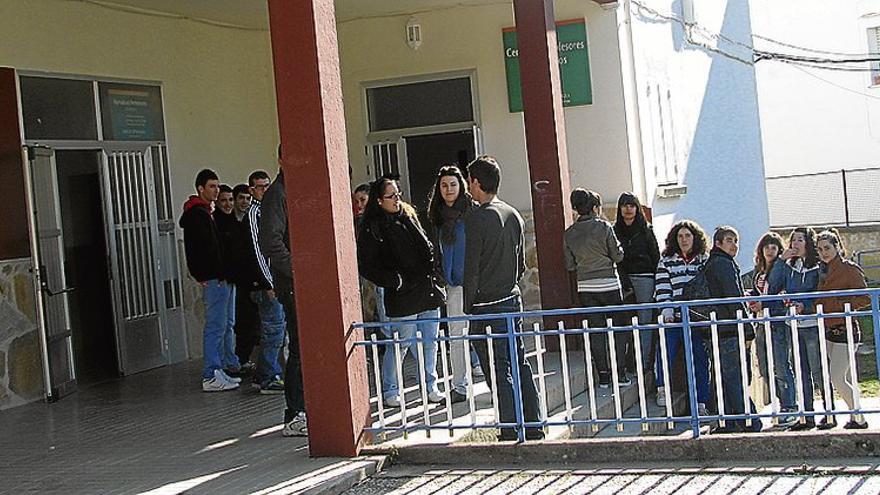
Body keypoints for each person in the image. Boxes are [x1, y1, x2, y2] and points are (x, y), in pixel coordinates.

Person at [463, 155, 543, 441]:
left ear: (476, 182)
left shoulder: (478, 218)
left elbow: (470, 268)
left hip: (486, 304)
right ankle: (533, 423)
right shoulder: (514, 214)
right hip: (512, 298)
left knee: (498, 368)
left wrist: (468, 306)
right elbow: (521, 263)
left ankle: (509, 428)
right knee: (518, 360)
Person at [358, 175, 445, 408]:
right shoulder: (373, 227)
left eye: (398, 194)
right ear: (379, 200)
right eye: (391, 196)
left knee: (430, 342)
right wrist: (394, 281)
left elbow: (426, 246)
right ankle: (390, 389)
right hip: (403, 292)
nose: (397, 199)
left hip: (426, 290)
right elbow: (367, 265)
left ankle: (430, 385)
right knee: (400, 343)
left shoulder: (408, 215)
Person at [259, 147, 310, 437]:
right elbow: (271, 242)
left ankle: (305, 408)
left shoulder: (300, 190)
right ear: (280, 159)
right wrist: (297, 271)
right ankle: (295, 413)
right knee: (299, 349)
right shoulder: (277, 194)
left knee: (307, 347)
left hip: (304, 281)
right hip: (291, 283)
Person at [178, 169, 239, 392]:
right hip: (215, 278)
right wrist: (203, 275)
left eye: (217, 185)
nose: (216, 190)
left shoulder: (207, 212)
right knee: (215, 325)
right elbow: (198, 250)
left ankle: (220, 368)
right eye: (212, 186)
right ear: (200, 188)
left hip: (222, 277)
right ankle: (211, 373)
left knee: (224, 324)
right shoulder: (197, 215)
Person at [564, 189, 630, 388]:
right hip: (609, 283)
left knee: (596, 331)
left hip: (585, 287)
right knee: (618, 330)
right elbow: (617, 256)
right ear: (594, 208)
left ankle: (603, 375)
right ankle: (620, 373)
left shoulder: (569, 233)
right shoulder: (603, 227)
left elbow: (570, 265)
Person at [427, 165, 477, 404]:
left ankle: (495, 385)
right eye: (444, 185)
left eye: (453, 184)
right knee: (456, 337)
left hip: (474, 282)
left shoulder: (472, 212)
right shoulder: (436, 216)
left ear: (461, 186)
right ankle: (460, 386)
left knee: (482, 334)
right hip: (452, 284)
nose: (449, 189)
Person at [703, 226, 760, 433]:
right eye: (729, 240)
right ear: (718, 243)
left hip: (716, 328)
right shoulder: (724, 265)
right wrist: (747, 329)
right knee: (734, 377)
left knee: (723, 378)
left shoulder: (712, 264)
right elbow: (734, 299)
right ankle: (750, 421)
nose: (734, 245)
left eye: (736, 241)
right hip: (729, 328)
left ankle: (727, 421)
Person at [769, 226, 824, 430]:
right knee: (801, 372)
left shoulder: (817, 266)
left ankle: (828, 413)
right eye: (793, 240)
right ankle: (807, 416)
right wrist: (781, 261)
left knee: (817, 370)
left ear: (808, 243)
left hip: (811, 323)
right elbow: (773, 286)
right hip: (793, 323)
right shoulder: (789, 265)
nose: (795, 244)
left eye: (800, 240)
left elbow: (820, 292)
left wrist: (806, 306)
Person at [654, 220, 710, 414]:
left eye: (687, 236)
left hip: (696, 320)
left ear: (695, 238)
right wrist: (667, 311)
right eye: (680, 236)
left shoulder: (704, 260)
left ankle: (701, 401)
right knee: (664, 353)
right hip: (674, 317)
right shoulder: (666, 261)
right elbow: (662, 288)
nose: (684, 240)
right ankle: (661, 389)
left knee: (700, 359)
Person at [816, 228, 869, 429]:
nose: (824, 253)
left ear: (837, 247)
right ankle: (856, 416)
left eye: (828, 248)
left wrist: (840, 303)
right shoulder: (821, 271)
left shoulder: (849, 269)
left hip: (845, 328)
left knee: (837, 377)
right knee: (843, 378)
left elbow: (864, 297)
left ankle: (860, 418)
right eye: (820, 249)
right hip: (828, 328)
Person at [747, 232, 797, 425]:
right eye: (767, 246)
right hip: (761, 323)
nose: (770, 250)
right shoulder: (758, 270)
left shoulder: (781, 268)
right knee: (766, 367)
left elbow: (775, 289)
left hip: (776, 322)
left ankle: (790, 406)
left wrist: (779, 263)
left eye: (774, 247)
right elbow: (759, 290)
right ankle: (781, 402)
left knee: (781, 365)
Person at [245, 170, 286, 395]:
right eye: (259, 187)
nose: (264, 190)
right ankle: (267, 376)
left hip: (276, 280)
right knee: (273, 330)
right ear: (251, 190)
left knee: (278, 330)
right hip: (266, 284)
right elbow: (258, 251)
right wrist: (269, 283)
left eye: (266, 186)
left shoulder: (269, 209)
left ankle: (266, 373)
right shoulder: (254, 214)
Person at [613, 192, 661, 381]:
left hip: (645, 277)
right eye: (624, 205)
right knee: (623, 322)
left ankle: (644, 363)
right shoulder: (615, 230)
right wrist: (623, 280)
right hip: (623, 279)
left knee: (645, 321)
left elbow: (655, 256)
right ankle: (626, 363)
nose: (628, 209)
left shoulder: (646, 230)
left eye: (631, 205)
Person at [211, 184, 242, 377]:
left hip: (232, 279)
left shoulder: (234, 221)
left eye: (231, 200)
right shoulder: (215, 222)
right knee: (221, 324)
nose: (228, 204)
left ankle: (231, 359)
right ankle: (221, 362)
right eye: (223, 200)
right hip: (221, 280)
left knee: (230, 322)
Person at [230, 184, 259, 372]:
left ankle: (245, 358)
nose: (244, 202)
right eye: (241, 198)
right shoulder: (230, 223)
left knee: (252, 322)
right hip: (238, 280)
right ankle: (239, 358)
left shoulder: (253, 219)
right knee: (241, 322)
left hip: (252, 280)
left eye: (248, 199)